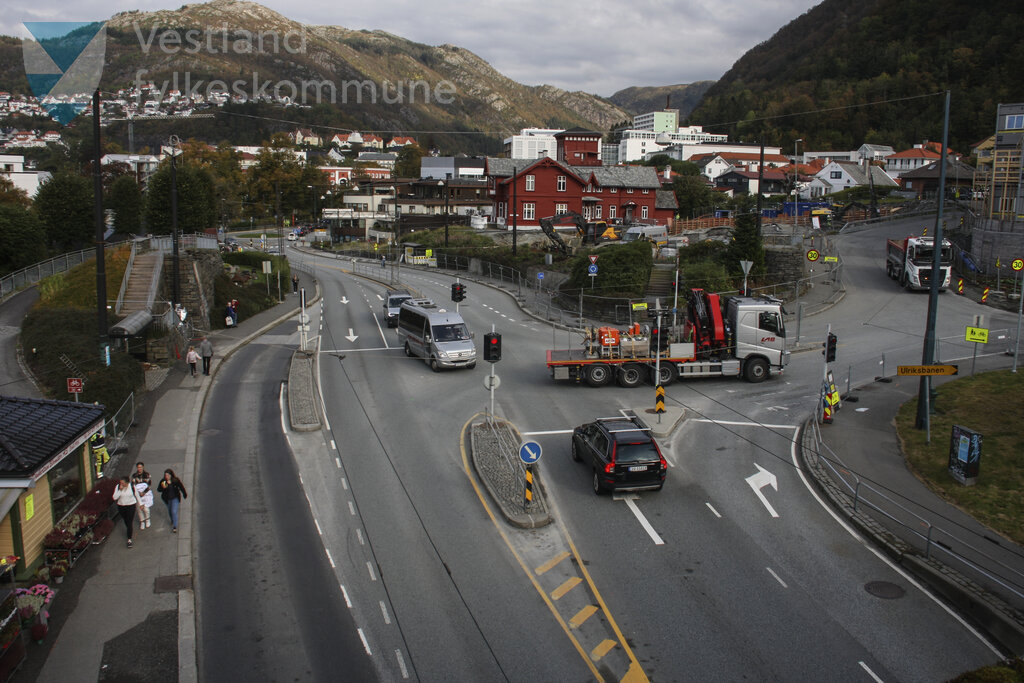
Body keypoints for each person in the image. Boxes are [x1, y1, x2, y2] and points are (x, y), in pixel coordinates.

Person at [113, 477, 140, 548]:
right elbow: (114, 497)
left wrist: (141, 503)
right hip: (121, 506)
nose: (121, 484)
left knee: (129, 521)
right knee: (126, 520)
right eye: (120, 483)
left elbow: (137, 495)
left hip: (131, 505)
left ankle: (129, 539)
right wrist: (120, 490)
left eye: (123, 483)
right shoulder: (118, 487)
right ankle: (129, 529)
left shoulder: (132, 486)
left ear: (127, 483)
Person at [131, 462, 153, 529]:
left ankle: (147, 519)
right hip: (138, 494)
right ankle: (142, 521)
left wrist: (144, 492)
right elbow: (133, 486)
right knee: (139, 509)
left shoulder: (147, 475)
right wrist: (137, 493)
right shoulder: (134, 476)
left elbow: (149, 485)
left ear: (143, 467)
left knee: (146, 509)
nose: (139, 469)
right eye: (138, 467)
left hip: (145, 494)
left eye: (141, 467)